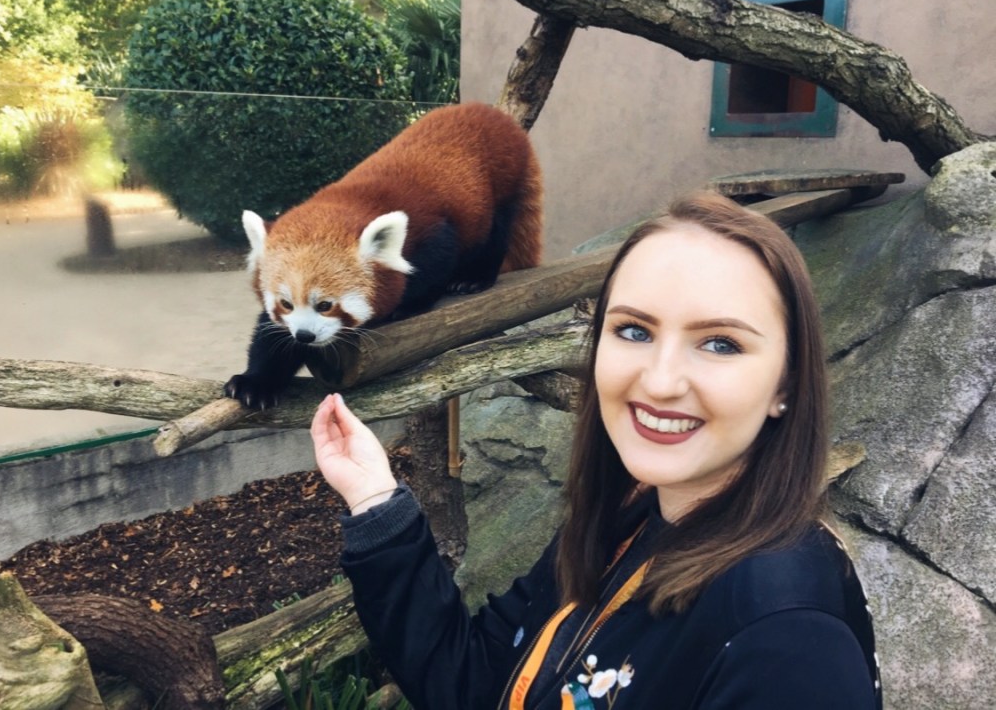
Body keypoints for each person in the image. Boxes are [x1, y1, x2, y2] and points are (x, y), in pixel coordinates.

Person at [310, 191, 883, 709]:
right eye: (634, 330)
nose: (659, 381)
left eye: (719, 343)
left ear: (785, 384)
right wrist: (377, 502)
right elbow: (478, 683)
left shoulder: (785, 634)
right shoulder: (626, 517)